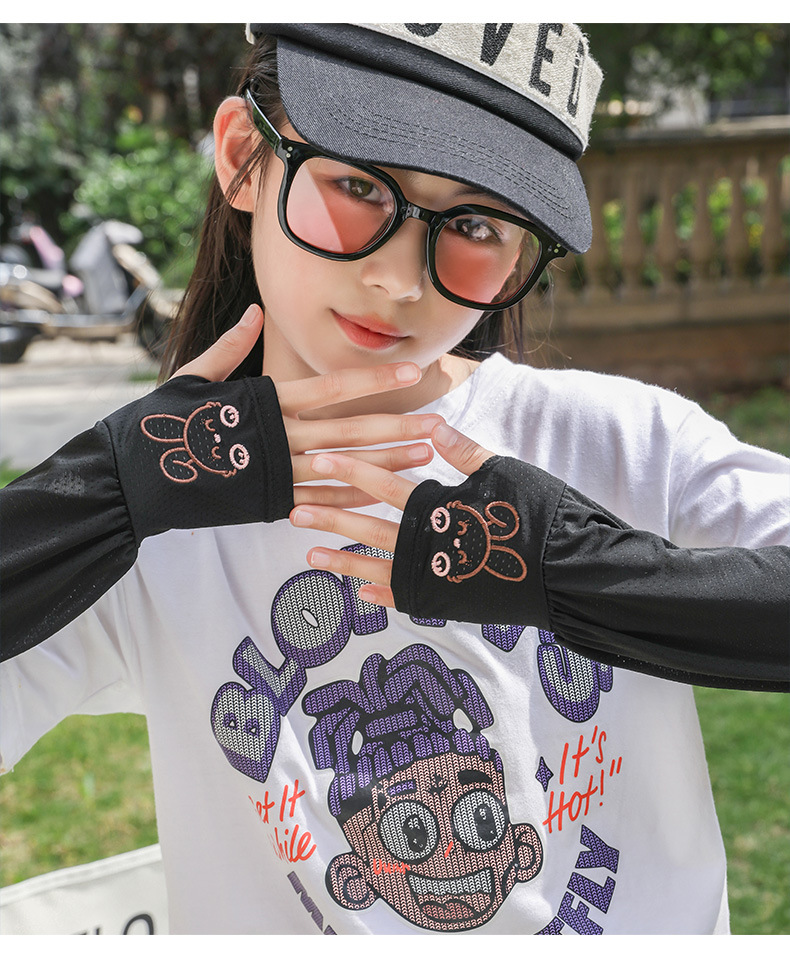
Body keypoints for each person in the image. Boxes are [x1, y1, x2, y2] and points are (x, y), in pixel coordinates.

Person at [0, 23, 787, 934]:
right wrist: (102, 491)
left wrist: (579, 570)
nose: (401, 279)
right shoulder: (157, 512)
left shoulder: (620, 445)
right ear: (244, 156)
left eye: (477, 225)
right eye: (360, 186)